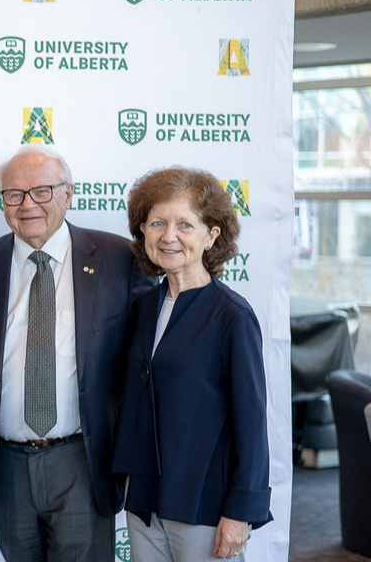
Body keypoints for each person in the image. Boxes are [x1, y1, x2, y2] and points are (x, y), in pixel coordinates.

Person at [0, 144, 154, 561]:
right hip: (6, 464)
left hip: (84, 458)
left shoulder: (118, 259)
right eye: (14, 195)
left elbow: (144, 367)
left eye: (42, 191)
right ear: (2, 201)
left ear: (69, 192)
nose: (28, 205)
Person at [111, 167, 272, 561]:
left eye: (185, 224)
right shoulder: (144, 307)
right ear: (143, 231)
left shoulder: (232, 316)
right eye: (158, 223)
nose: (169, 236)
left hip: (205, 505)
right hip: (145, 502)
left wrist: (240, 512)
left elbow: (251, 423)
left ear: (211, 234)